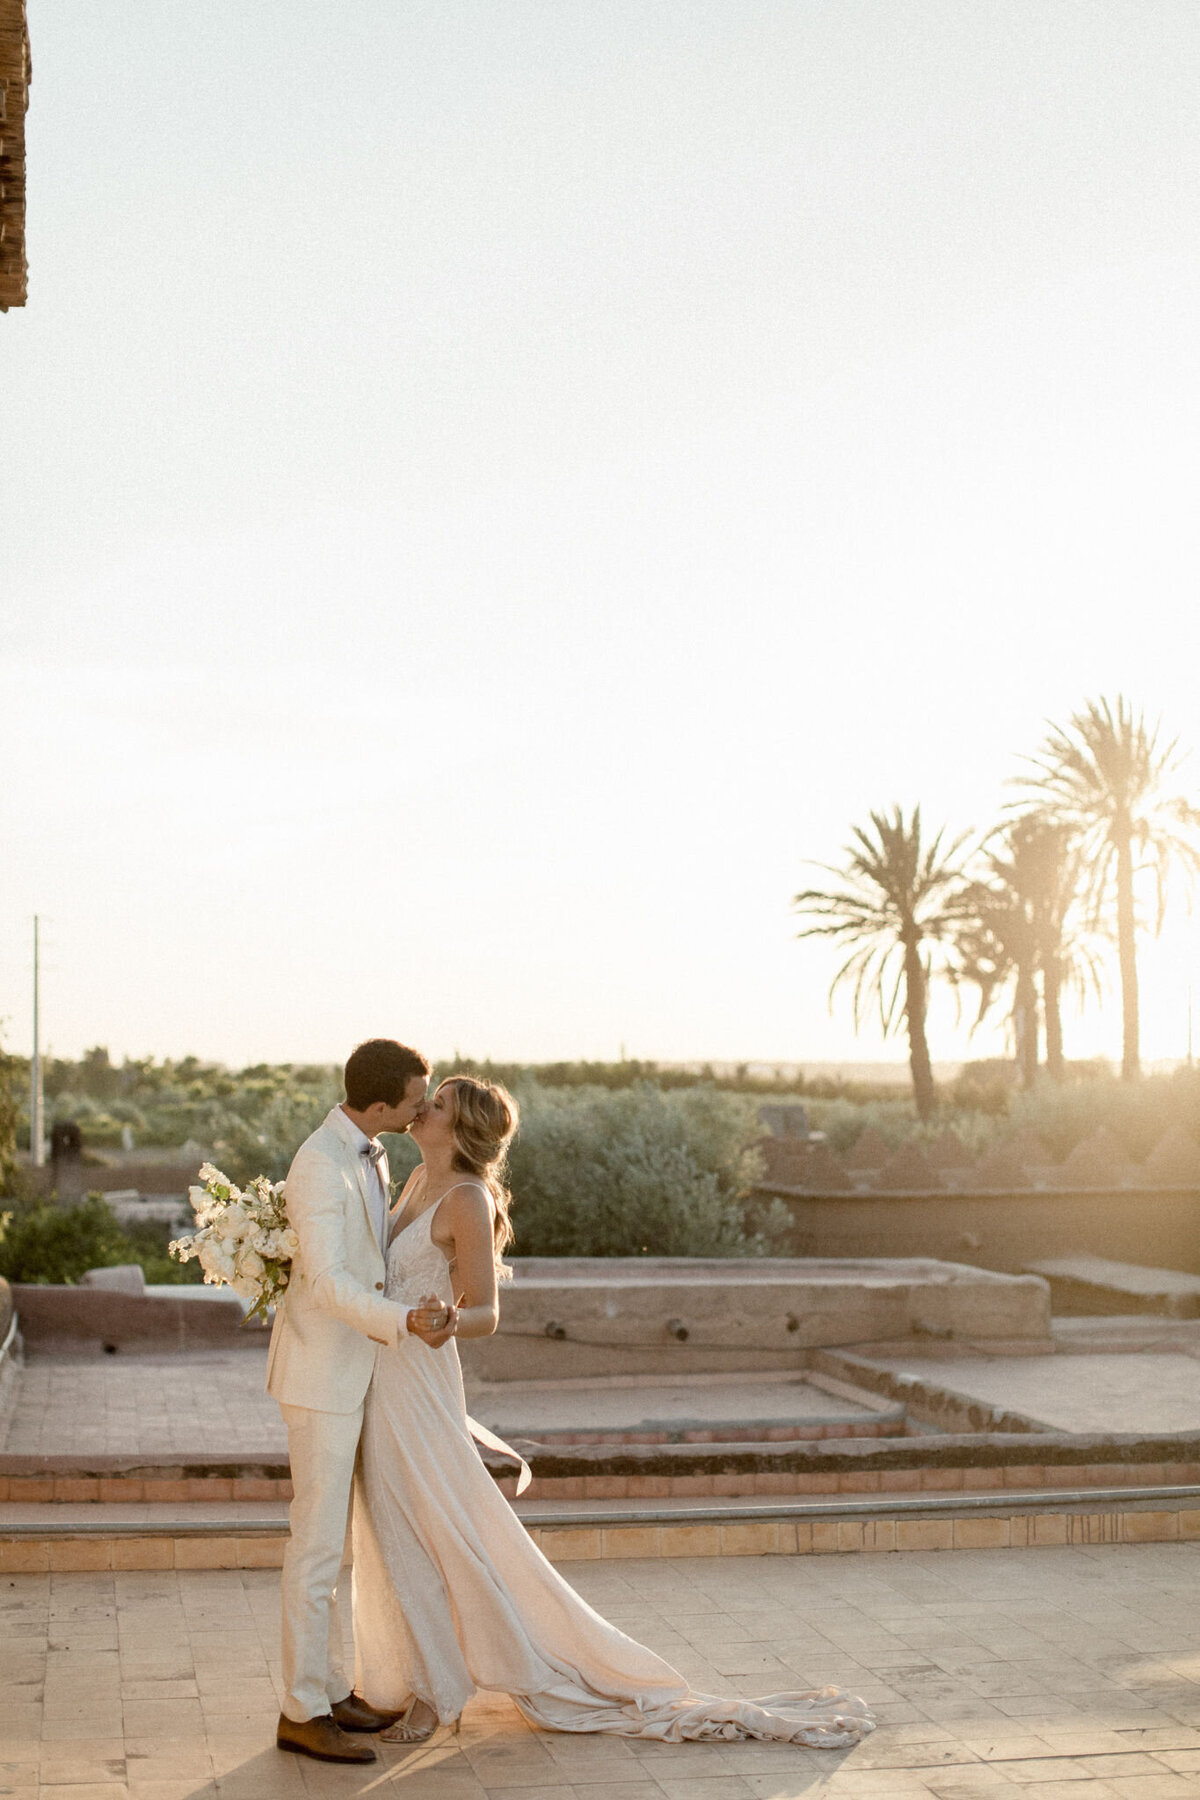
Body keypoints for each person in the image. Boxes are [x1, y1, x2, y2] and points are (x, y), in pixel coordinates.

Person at [351, 1074, 875, 1750]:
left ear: (463, 1127)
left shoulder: (466, 1198)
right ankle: (418, 1676)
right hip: (381, 1381)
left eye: (440, 1103)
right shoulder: (412, 1184)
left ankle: (437, 1694)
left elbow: (486, 1310)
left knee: (436, 1531)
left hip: (420, 1380)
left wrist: (449, 1321)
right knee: (397, 1530)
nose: (423, 1107)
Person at [268, 1037, 445, 1766]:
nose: (423, 1110)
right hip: (320, 1380)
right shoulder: (319, 1165)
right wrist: (401, 1320)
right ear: (379, 1105)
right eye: (416, 1100)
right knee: (313, 1551)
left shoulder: (369, 1152)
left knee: (333, 1550)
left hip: (352, 1375)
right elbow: (329, 1282)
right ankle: (301, 1712)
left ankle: (331, 1687)